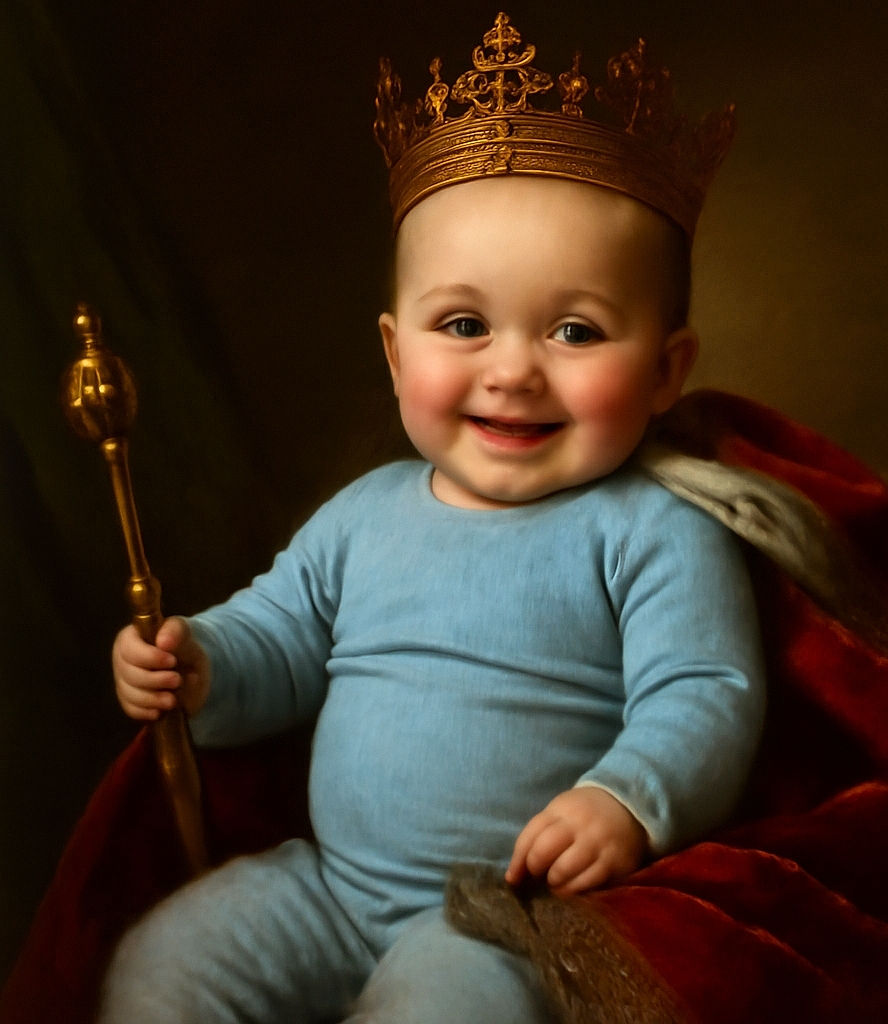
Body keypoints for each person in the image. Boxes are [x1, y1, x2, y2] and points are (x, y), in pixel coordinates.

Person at [99, 15, 764, 1023]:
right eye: (463, 324)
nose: (510, 368)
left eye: (575, 330)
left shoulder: (652, 529)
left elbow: (704, 690)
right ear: (394, 351)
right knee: (161, 963)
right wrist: (199, 664)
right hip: (325, 887)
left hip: (499, 914)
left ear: (668, 367)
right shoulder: (364, 514)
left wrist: (625, 796)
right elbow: (279, 638)